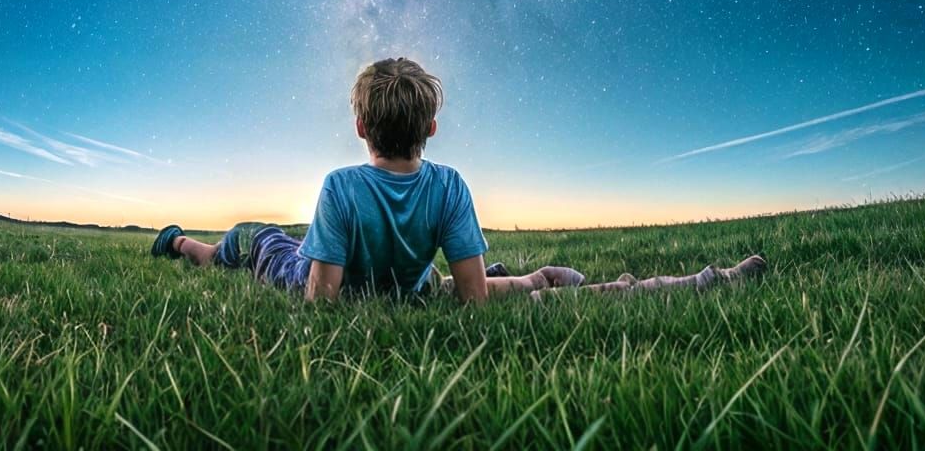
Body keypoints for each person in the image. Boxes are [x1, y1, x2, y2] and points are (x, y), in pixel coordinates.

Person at [151, 56, 765, 304]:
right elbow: (471, 295)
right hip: (416, 289)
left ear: (360, 126)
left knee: (248, 239)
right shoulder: (449, 186)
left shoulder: (339, 186)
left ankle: (179, 242)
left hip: (299, 269)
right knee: (444, 285)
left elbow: (322, 299)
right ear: (432, 128)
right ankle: (691, 281)